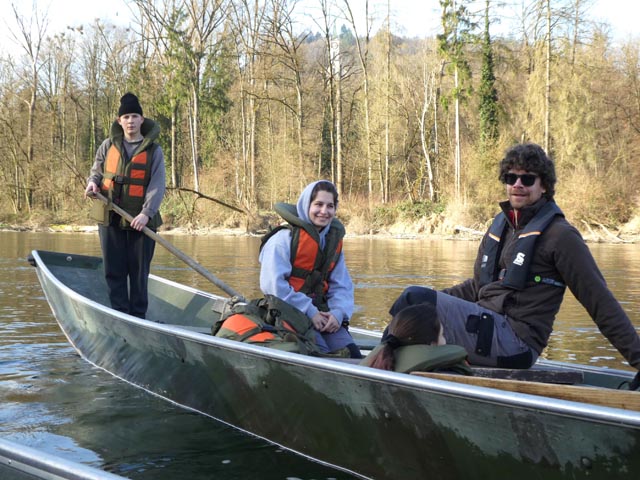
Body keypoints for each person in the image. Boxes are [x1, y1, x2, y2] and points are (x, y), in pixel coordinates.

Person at [389, 143, 640, 388]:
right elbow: (477, 287)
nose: (517, 184)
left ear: (544, 187)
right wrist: (429, 302)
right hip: (484, 326)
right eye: (511, 178)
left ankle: (381, 373)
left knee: (414, 299)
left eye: (527, 179)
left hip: (516, 344)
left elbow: (600, 301)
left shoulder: (561, 236)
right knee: (412, 302)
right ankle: (387, 371)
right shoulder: (501, 226)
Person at [84, 92, 165, 319]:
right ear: (119, 121)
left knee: (138, 273)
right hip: (110, 216)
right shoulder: (107, 145)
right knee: (114, 270)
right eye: (126, 116)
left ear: (142, 120)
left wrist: (146, 214)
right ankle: (120, 315)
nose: (130, 121)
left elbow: (157, 185)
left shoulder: (154, 151)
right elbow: (97, 172)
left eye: (134, 116)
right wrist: (92, 184)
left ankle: (138, 317)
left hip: (140, 221)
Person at [259, 180, 362, 358]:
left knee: (352, 355)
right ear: (306, 205)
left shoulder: (333, 242)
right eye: (318, 204)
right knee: (320, 354)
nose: (324, 211)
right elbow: (273, 286)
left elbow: (342, 285)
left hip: (323, 314)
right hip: (290, 311)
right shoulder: (282, 239)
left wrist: (337, 313)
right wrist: (310, 311)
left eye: (330, 206)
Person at [362, 303, 472, 374]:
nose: (445, 340)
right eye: (442, 335)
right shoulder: (446, 374)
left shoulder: (375, 364)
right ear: (431, 344)